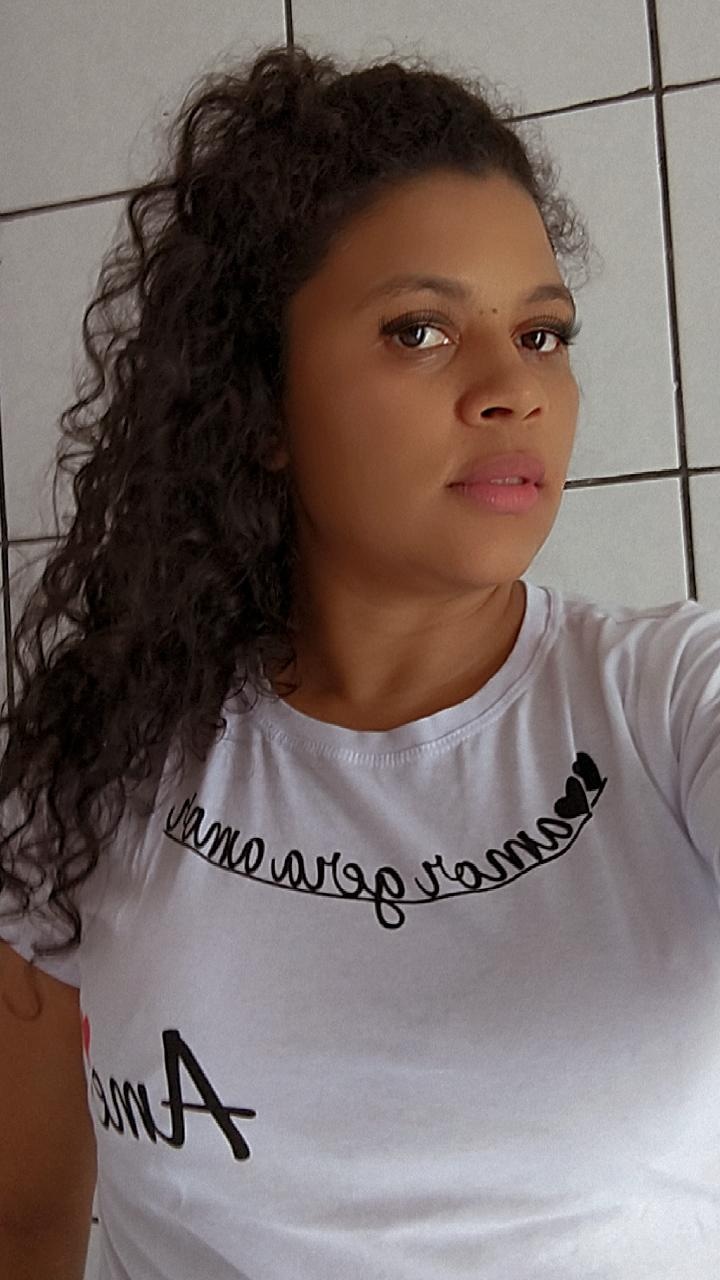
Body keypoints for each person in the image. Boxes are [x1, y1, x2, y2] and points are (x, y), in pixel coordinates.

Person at [1, 40, 719, 1280]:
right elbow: (23, 1219)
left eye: (542, 333)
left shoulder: (666, 703)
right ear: (260, 403)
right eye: (420, 330)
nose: (513, 388)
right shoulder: (99, 759)